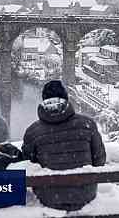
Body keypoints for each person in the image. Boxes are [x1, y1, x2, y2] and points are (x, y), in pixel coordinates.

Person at [22, 80, 106, 211]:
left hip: (48, 197)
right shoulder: (87, 124)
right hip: (84, 194)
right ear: (66, 99)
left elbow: (27, 165)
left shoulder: (32, 132)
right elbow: (99, 160)